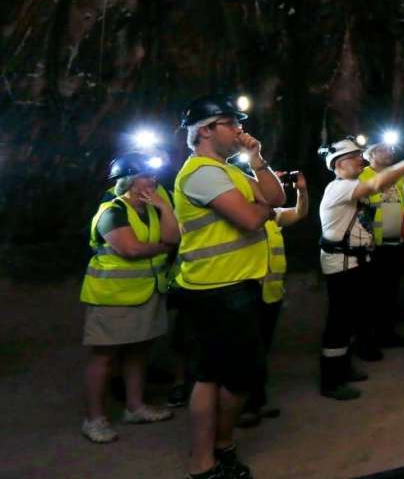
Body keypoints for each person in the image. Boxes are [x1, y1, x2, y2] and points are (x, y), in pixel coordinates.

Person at [174, 95, 285, 479]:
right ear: (205, 130)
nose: (239, 130)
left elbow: (276, 198)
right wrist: (265, 211)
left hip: (234, 284)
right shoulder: (202, 173)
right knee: (228, 375)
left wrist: (257, 161)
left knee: (218, 373)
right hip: (217, 288)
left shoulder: (228, 171)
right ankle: (209, 456)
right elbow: (253, 218)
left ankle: (215, 451)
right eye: (230, 123)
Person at [318, 138, 404, 399]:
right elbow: (379, 183)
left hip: (354, 261)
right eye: (356, 156)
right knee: (339, 322)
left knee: (347, 320)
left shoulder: (350, 186)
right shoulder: (339, 187)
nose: (361, 159)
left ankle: (343, 368)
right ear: (340, 163)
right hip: (342, 264)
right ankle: (331, 380)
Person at [80, 152, 178, 444]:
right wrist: (162, 247)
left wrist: (164, 208)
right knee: (104, 358)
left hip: (145, 293)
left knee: (139, 353)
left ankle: (135, 407)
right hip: (112, 297)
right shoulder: (113, 211)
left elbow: (174, 238)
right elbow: (131, 249)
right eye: (146, 176)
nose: (153, 181)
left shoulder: (150, 209)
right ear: (130, 182)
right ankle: (93, 419)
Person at [238, 170, 308, 428]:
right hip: (247, 291)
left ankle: (256, 400)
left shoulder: (270, 216)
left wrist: (301, 190)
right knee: (245, 352)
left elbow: (299, 213)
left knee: (260, 350)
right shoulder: (244, 215)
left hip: (271, 292)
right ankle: (244, 406)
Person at [360, 143, 404, 349]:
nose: (389, 153)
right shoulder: (362, 175)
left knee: (391, 290)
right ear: (370, 154)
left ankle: (387, 333)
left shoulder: (397, 174)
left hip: (394, 240)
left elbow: (400, 203)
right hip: (370, 243)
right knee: (371, 292)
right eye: (383, 149)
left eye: (391, 150)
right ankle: (368, 338)